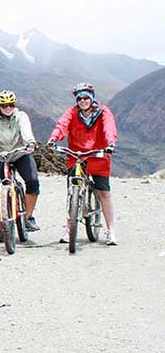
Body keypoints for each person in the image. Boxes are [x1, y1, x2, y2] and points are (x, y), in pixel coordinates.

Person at [47, 83, 118, 245]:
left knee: (104, 192)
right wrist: (53, 138)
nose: (83, 101)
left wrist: (110, 143)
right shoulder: (72, 113)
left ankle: (110, 230)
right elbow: (62, 125)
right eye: (80, 98)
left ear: (92, 98)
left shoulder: (103, 112)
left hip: (98, 155)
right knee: (72, 191)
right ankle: (69, 227)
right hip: (76, 155)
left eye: (86, 97)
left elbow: (109, 127)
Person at [0, 90, 40, 244]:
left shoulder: (21, 117)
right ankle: (0, 229)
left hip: (20, 154)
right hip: (1, 156)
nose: (7, 108)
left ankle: (29, 217)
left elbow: (26, 130)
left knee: (32, 181)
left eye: (10, 105)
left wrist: (30, 142)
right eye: (4, 105)